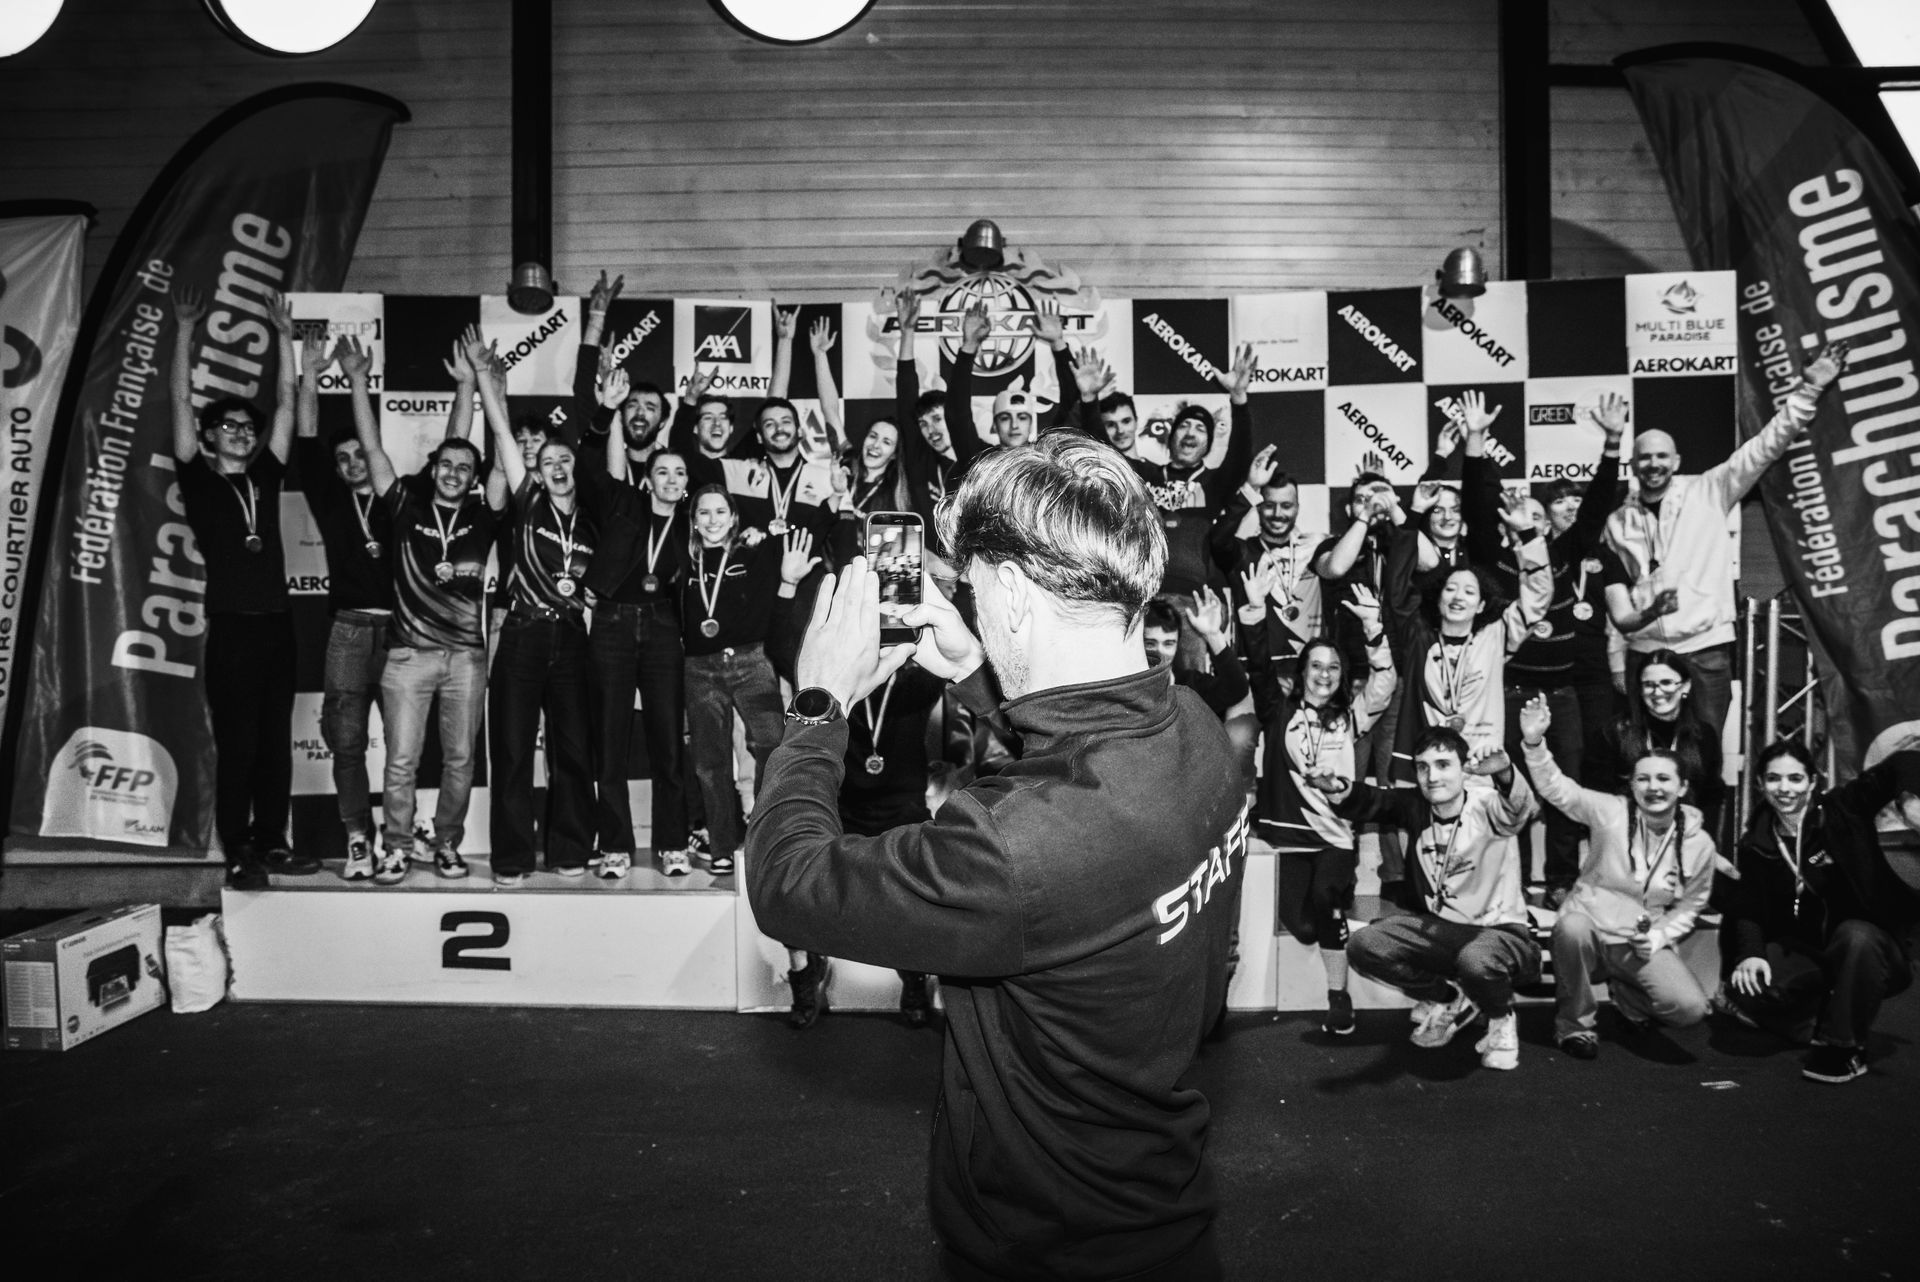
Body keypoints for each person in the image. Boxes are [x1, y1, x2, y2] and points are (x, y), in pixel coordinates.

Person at [746, 433, 1246, 1280]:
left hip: (1044, 1248)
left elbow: (787, 883)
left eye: (975, 592)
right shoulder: (1195, 728)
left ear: (1011, 592)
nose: (971, 606)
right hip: (1164, 1215)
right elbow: (1077, 777)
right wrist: (979, 679)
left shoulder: (1011, 846)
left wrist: (820, 703)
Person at [1605, 340, 1847, 727]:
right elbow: (1615, 596)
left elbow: (1766, 446)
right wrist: (1617, 657)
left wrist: (1810, 389)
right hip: (1644, 649)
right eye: (1645, 457)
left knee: (1709, 751)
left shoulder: (1708, 490)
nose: (1653, 464)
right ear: (1632, 464)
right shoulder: (1618, 521)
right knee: (1647, 754)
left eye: (1661, 456)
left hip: (1706, 648)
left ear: (1677, 461)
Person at [168, 286, 317, 889]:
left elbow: (283, 401)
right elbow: (179, 397)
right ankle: (236, 847)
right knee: (239, 743)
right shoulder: (198, 478)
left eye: (244, 427)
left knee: (275, 741)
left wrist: (283, 334)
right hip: (230, 625)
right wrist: (185, 330)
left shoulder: (264, 474)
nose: (239, 431)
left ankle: (272, 840)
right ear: (208, 437)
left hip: (276, 625)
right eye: (226, 425)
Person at [348, 335, 505, 885]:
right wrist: (357, 380)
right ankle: (394, 845)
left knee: (461, 762)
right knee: (401, 761)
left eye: (465, 467)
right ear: (433, 466)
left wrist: (474, 385)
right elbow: (372, 452)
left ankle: (445, 844)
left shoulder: (485, 515)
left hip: (466, 657)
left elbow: (471, 443)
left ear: (472, 475)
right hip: (409, 656)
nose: (455, 472)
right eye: (447, 463)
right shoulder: (403, 505)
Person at [1313, 728, 1540, 1071]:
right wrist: (1338, 788)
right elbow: (1377, 801)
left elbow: (1520, 807)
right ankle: (1451, 998)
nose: (1432, 776)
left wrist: (1505, 771)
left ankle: (1500, 1017)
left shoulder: (1488, 806)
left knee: (1476, 959)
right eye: (1423, 767)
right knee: (1365, 944)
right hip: (1443, 932)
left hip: (1501, 936)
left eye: (1444, 764)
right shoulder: (1417, 807)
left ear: (1464, 769)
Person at [1239, 567, 1396, 1036]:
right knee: (1304, 928)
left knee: (1327, 901)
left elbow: (1385, 680)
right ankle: (1334, 906)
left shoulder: (1351, 717)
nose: (1325, 674)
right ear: (1303, 671)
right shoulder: (1277, 711)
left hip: (1333, 839)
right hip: (1288, 840)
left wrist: (1374, 628)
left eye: (1333, 667)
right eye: (1316, 665)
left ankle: (1338, 996)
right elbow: (1261, 667)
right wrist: (1252, 613)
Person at [1517, 696, 1715, 1060]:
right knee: (1572, 928)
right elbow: (1558, 789)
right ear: (1633, 785)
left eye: (1663, 779)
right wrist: (1534, 743)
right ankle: (1575, 1026)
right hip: (1588, 930)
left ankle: (1628, 998)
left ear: (1682, 787)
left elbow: (1692, 905)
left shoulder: (1698, 842)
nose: (1653, 787)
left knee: (1690, 1009)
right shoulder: (1610, 812)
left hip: (1637, 942)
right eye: (1643, 779)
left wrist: (1660, 935)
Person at [1724, 740, 1920, 1083]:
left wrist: (1910, 800)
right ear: (1759, 784)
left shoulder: (1844, 809)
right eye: (1773, 778)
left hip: (1873, 949)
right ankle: (1830, 1013)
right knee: (1746, 990)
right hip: (1814, 955)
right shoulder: (1756, 843)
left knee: (1855, 936)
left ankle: (1842, 1047)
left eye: (1795, 778)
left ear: (1812, 782)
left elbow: (1902, 762)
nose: (1784, 788)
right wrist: (1751, 954)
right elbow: (1748, 907)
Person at [476, 351, 598, 884]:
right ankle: (511, 858)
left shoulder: (596, 519)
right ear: (537, 472)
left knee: (573, 751)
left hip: (572, 638)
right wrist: (486, 386)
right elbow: (504, 442)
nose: (556, 467)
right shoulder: (527, 504)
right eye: (546, 462)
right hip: (523, 632)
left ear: (575, 465)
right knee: (511, 750)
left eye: (564, 460)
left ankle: (570, 849)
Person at [293, 327, 397, 881]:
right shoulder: (331, 502)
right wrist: (311, 372)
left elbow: (371, 443)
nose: (355, 461)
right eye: (345, 458)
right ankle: (359, 836)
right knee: (348, 743)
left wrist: (357, 383)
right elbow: (306, 440)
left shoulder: (397, 500)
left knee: (405, 746)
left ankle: (403, 837)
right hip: (349, 634)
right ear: (336, 468)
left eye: (362, 452)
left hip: (401, 633)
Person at [682, 485, 814, 876]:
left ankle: (762, 833)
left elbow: (791, 537)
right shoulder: (683, 558)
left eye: (720, 512)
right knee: (710, 759)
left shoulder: (750, 551)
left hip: (751, 661)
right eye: (703, 513)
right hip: (699, 666)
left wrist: (766, 535)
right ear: (692, 520)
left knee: (772, 744)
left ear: (733, 517)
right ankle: (722, 843)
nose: (712, 520)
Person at [1211, 444, 1324, 667]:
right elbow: (1217, 540)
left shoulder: (1314, 549)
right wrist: (1251, 487)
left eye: (1286, 505)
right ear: (1258, 507)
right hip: (1254, 669)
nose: (1277, 514)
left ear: (1298, 508)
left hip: (1308, 671)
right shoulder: (1241, 552)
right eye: (1269, 505)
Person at [1611, 648, 1724, 839]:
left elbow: (1710, 798)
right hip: (1626, 841)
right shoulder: (1615, 732)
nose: (1657, 692)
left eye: (1666, 683)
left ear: (1685, 686)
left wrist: (1705, 846)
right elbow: (1600, 800)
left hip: (1687, 840)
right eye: (1649, 685)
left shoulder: (1704, 735)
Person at [1141, 590, 1247, 721]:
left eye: (1168, 644)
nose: (1160, 652)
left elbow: (1236, 688)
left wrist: (1213, 635)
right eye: (1150, 643)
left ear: (1177, 645)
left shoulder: (1190, 685)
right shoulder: (1124, 685)